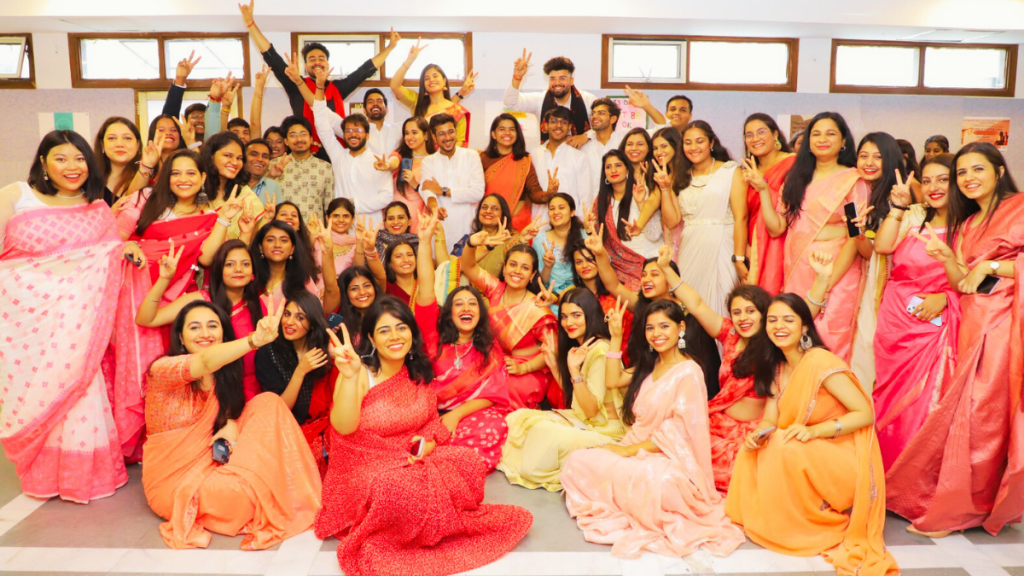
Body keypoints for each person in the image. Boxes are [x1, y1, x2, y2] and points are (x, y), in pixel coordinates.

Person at [315, 297, 532, 576]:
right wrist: (347, 376)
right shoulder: (359, 372)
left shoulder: (416, 371)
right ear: (371, 337)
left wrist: (427, 445)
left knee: (467, 461)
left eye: (401, 328)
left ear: (411, 332)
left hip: (410, 456)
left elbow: (429, 421)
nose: (394, 337)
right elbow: (343, 429)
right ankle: (404, 530)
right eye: (384, 330)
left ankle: (424, 519)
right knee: (395, 488)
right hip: (366, 464)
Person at [0, 130, 147, 502]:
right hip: (22, 323)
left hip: (76, 326)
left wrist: (126, 247)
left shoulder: (96, 207)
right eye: (61, 158)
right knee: (32, 399)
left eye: (79, 158)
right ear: (44, 163)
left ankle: (81, 475)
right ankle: (40, 473)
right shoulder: (17, 196)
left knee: (78, 394)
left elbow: (107, 256)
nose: (72, 166)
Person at [886, 142, 1023, 538]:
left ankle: (966, 508)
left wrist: (992, 265)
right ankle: (965, 503)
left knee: (986, 413)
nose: (968, 179)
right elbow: (962, 282)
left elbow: (988, 270)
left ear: (999, 171)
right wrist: (947, 256)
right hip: (975, 320)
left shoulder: (1020, 207)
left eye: (977, 170)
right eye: (962, 173)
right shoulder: (968, 222)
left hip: (1008, 323)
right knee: (967, 412)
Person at [725, 295, 898, 575]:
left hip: (841, 452)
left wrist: (814, 430)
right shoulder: (778, 365)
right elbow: (770, 418)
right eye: (772, 320)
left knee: (784, 443)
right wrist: (759, 434)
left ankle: (811, 524)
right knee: (755, 447)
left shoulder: (820, 361)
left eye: (788, 320)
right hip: (807, 444)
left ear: (804, 327)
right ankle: (779, 521)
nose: (779, 326)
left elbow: (864, 413)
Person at [561, 299, 746, 559]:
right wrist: (615, 338)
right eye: (650, 328)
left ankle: (627, 493)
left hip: (667, 457)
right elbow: (613, 380)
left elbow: (680, 433)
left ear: (680, 328)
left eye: (663, 326)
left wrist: (627, 452)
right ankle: (627, 493)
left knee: (661, 482)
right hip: (632, 445)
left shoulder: (689, 371)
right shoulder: (650, 364)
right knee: (577, 461)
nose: (656, 334)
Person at [142, 300, 322, 550]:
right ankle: (270, 489)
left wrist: (231, 423)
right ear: (181, 337)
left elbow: (228, 404)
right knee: (244, 495)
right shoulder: (163, 370)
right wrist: (253, 340)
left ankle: (276, 488)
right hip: (178, 484)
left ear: (223, 334)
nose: (205, 333)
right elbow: (204, 361)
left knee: (269, 402)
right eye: (194, 327)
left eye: (212, 326)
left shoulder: (221, 375)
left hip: (210, 462)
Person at [870, 154, 960, 470]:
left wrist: (946, 299)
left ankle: (914, 477)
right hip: (894, 319)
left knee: (924, 404)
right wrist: (897, 207)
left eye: (943, 179)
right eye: (927, 180)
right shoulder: (915, 216)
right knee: (887, 397)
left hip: (934, 328)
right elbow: (882, 247)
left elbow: (981, 277)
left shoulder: (971, 225)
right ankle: (883, 474)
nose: (933, 187)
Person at [756, 112, 870, 362]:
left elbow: (855, 237)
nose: (822, 139)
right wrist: (764, 191)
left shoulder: (852, 181)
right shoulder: (795, 179)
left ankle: (829, 397)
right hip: (798, 269)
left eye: (831, 134)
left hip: (839, 271)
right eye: (816, 134)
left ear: (843, 142)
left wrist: (828, 283)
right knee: (797, 336)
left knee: (831, 337)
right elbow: (777, 228)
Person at [413, 212, 512, 470]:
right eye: (459, 303)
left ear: (480, 313)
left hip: (468, 415)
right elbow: (425, 285)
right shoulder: (433, 335)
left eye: (472, 303)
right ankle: (440, 453)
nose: (466, 307)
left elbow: (493, 395)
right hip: (428, 414)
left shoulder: (488, 347)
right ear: (449, 312)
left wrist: (456, 415)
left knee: (494, 425)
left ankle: (445, 458)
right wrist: (424, 242)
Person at [498, 288, 625, 490]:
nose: (569, 323)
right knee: (517, 417)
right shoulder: (583, 347)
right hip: (582, 420)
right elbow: (577, 398)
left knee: (545, 436)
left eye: (576, 315)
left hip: (605, 430)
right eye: (564, 316)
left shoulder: (601, 350)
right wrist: (555, 366)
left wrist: (574, 371)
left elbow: (592, 410)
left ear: (590, 315)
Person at [239, 0, 400, 158]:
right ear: (306, 66)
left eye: (321, 58)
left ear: (327, 63)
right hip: (304, 154)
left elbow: (365, 70)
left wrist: (390, 47)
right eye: (312, 59)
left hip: (336, 154)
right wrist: (250, 24)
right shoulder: (295, 84)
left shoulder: (339, 87)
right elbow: (271, 56)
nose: (317, 62)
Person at [137, 240, 267, 401]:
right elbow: (147, 319)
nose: (238, 269)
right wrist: (164, 280)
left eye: (245, 264)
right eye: (230, 264)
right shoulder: (201, 300)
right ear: (219, 270)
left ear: (253, 272)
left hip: (251, 391)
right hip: (204, 390)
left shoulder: (260, 306)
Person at [116, 149, 244, 304]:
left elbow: (206, 259)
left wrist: (223, 218)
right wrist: (130, 244)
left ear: (202, 177)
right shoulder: (145, 198)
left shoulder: (209, 218)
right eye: (176, 173)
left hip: (177, 297)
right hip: (131, 286)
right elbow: (114, 238)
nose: (183, 179)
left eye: (190, 173)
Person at [461, 226, 558, 410]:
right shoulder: (494, 288)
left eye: (525, 267)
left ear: (532, 276)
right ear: (504, 268)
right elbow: (468, 266)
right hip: (495, 361)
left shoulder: (537, 309)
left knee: (501, 394)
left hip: (527, 370)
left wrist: (524, 368)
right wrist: (471, 244)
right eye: (513, 264)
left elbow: (551, 352)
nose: (517, 271)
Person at [659, 122, 746, 318]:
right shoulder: (681, 177)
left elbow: (741, 217)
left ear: (711, 142)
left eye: (700, 141)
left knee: (722, 304)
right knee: (690, 306)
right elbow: (672, 221)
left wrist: (739, 258)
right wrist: (665, 188)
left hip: (723, 246)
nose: (693, 147)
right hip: (690, 248)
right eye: (688, 143)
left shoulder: (731, 171)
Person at [846, 132, 909, 388]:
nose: (869, 162)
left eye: (877, 156)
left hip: (892, 281)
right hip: (868, 275)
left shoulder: (901, 195)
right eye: (863, 155)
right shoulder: (857, 194)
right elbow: (868, 251)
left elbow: (889, 250)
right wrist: (858, 233)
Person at [306, 70, 392, 215]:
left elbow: (387, 195)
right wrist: (319, 87)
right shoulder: (339, 155)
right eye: (348, 131)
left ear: (367, 135)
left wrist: (352, 205)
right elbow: (321, 124)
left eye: (357, 131)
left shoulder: (378, 161)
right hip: (341, 229)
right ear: (344, 135)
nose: (353, 134)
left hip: (371, 229)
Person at [740, 113, 796, 295]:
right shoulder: (746, 172)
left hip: (782, 242)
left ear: (775, 135)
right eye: (749, 135)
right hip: (753, 248)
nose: (755, 138)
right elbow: (743, 216)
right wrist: (742, 252)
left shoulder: (792, 163)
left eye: (761, 132)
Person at [389, 38, 474, 148]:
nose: (431, 80)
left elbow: (459, 145)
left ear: (444, 81)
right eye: (427, 78)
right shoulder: (416, 102)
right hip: (420, 161)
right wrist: (410, 59)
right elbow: (394, 86)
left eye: (435, 76)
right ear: (423, 84)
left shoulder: (457, 111)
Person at [594, 149, 658, 290]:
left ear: (627, 169)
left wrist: (641, 203)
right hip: (618, 271)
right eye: (608, 167)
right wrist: (588, 228)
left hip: (648, 261)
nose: (613, 170)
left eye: (618, 165)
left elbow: (655, 234)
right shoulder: (601, 202)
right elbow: (600, 243)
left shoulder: (642, 191)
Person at [420, 113, 485, 252]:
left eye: (451, 132)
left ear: (456, 131)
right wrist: (434, 209)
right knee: (441, 270)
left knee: (465, 270)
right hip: (440, 226)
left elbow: (477, 193)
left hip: (467, 225)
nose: (447, 137)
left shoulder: (471, 156)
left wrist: (444, 191)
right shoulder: (428, 161)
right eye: (442, 133)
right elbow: (427, 190)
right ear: (434, 136)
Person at [579, 91, 666, 194]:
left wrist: (647, 106)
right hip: (593, 205)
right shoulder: (583, 146)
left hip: (626, 202)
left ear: (613, 119)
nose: (595, 116)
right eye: (593, 113)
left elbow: (662, 129)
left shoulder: (626, 139)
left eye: (601, 113)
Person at [504, 52, 596, 146]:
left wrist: (586, 136)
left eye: (562, 78)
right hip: (549, 158)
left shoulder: (588, 100)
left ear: (571, 80)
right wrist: (517, 77)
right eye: (552, 79)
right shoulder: (540, 100)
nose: (557, 83)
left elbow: (607, 122)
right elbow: (510, 102)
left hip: (583, 156)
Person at [480, 113, 549, 232]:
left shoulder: (524, 160)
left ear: (517, 134)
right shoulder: (483, 159)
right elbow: (476, 192)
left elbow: (534, 192)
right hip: (489, 223)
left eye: (512, 129)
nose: (507, 133)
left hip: (518, 223)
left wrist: (548, 194)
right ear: (493, 134)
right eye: (502, 129)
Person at [530, 107, 593, 217]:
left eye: (563, 122)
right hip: (538, 223)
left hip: (569, 225)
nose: (558, 126)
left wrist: (583, 228)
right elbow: (529, 192)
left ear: (569, 127)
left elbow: (585, 197)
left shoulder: (579, 157)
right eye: (553, 121)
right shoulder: (533, 155)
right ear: (545, 126)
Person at [202, 132, 263, 241]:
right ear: (211, 156)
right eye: (228, 156)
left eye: (239, 158)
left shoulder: (244, 194)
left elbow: (258, 234)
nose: (235, 162)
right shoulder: (195, 188)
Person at [273, 115, 335, 222]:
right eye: (293, 135)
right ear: (286, 141)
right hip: (282, 232)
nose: (299, 139)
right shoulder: (273, 165)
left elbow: (330, 208)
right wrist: (270, 175)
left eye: (303, 134)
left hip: (314, 233)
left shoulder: (326, 168)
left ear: (311, 139)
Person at [252, 220, 319, 308]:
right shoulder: (250, 280)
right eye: (271, 240)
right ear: (260, 247)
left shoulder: (303, 282)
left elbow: (314, 314)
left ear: (292, 249)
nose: (277, 245)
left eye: (284, 240)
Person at [386, 116, 435, 233]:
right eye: (406, 133)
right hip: (396, 219)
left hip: (420, 218)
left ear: (425, 135)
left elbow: (435, 194)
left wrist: (415, 184)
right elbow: (393, 162)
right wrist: (387, 166)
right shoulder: (399, 155)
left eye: (414, 132)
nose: (409, 137)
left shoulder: (434, 161)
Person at [534, 193, 586, 297]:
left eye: (561, 208)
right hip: (551, 296)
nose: (556, 212)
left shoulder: (585, 236)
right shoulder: (540, 240)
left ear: (572, 212)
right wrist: (548, 266)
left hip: (581, 293)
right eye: (552, 209)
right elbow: (541, 283)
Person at [93, 116, 141, 205]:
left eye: (127, 138)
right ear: (102, 144)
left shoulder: (147, 177)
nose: (119, 144)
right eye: (112, 138)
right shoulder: (89, 180)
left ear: (137, 145)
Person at [360, 88, 402, 155]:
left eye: (379, 101)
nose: (375, 104)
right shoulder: (359, 134)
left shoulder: (398, 129)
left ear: (387, 109)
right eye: (370, 102)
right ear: (364, 110)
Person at [244, 138, 282, 205]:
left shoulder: (273, 186)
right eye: (254, 154)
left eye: (265, 156)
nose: (260, 159)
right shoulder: (232, 182)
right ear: (243, 157)